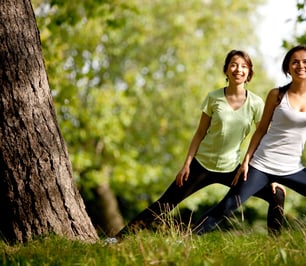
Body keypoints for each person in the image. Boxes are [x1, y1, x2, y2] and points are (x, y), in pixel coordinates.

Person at [116, 50, 286, 238]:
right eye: (234, 65)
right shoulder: (214, 98)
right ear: (227, 70)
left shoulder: (256, 103)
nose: (239, 69)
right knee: (164, 205)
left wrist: (269, 174)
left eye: (244, 66)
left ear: (249, 73)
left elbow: (263, 136)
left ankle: (275, 245)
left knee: (277, 193)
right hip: (201, 165)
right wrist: (187, 164)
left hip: (233, 170)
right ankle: (117, 238)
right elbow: (199, 133)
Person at [194, 45, 306, 237]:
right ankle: (189, 235)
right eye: (295, 62)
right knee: (230, 204)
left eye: (305, 62)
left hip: (292, 168)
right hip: (262, 164)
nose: (301, 65)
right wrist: (247, 160)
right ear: (288, 67)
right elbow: (261, 130)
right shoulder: (276, 95)